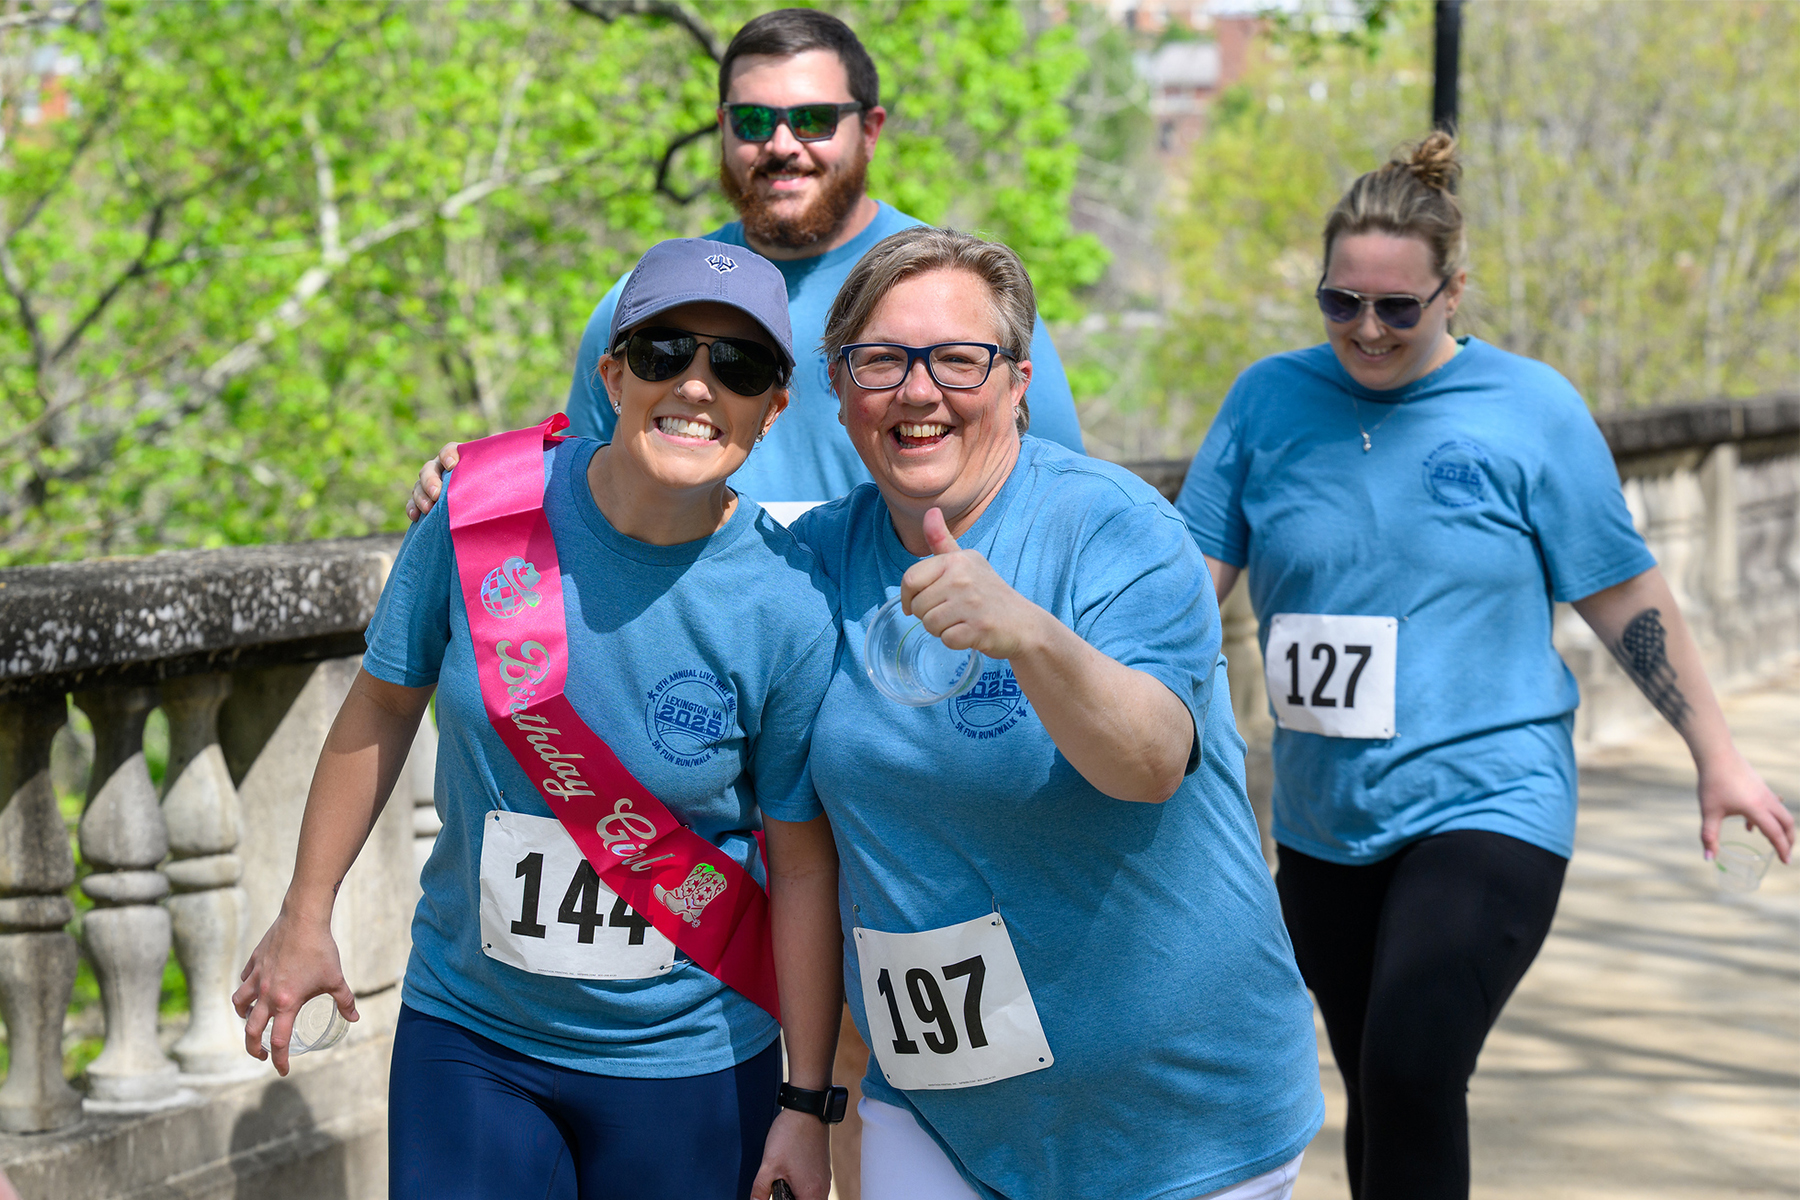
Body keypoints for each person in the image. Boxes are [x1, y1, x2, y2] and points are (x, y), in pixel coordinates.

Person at [1174, 133, 1795, 1200]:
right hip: (1324, 819)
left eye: (1398, 308)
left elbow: (1625, 596)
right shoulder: (1267, 402)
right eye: (1341, 304)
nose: (1366, 330)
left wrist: (1718, 755)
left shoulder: (1529, 410)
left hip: (1491, 798)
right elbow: (1187, 591)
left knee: (1414, 1063)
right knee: (1380, 1080)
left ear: (1453, 291)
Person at [233, 239, 847, 1200]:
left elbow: (804, 862)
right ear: (611, 372)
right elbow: (385, 707)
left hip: (688, 1060)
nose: (696, 384)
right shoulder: (479, 513)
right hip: (472, 1038)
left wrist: (805, 1104)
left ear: (773, 409)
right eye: (663, 352)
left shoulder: (790, 607)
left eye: (738, 366)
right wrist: (303, 916)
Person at [769, 225, 1323, 1200]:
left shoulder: (1116, 530)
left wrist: (1032, 635)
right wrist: (497, 488)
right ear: (838, 385)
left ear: (1020, 380)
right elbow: (661, 540)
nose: (918, 390)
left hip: (1172, 1120)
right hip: (939, 1103)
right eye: (882, 361)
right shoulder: (815, 558)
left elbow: (1150, 762)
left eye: (958, 360)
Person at [408, 7, 1087, 532]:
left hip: (906, 663)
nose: (783, 145)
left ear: (870, 130)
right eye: (755, 119)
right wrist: (479, 484)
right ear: (724, 129)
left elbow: (1059, 498)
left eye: (815, 120)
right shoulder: (645, 305)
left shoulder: (959, 293)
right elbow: (584, 496)